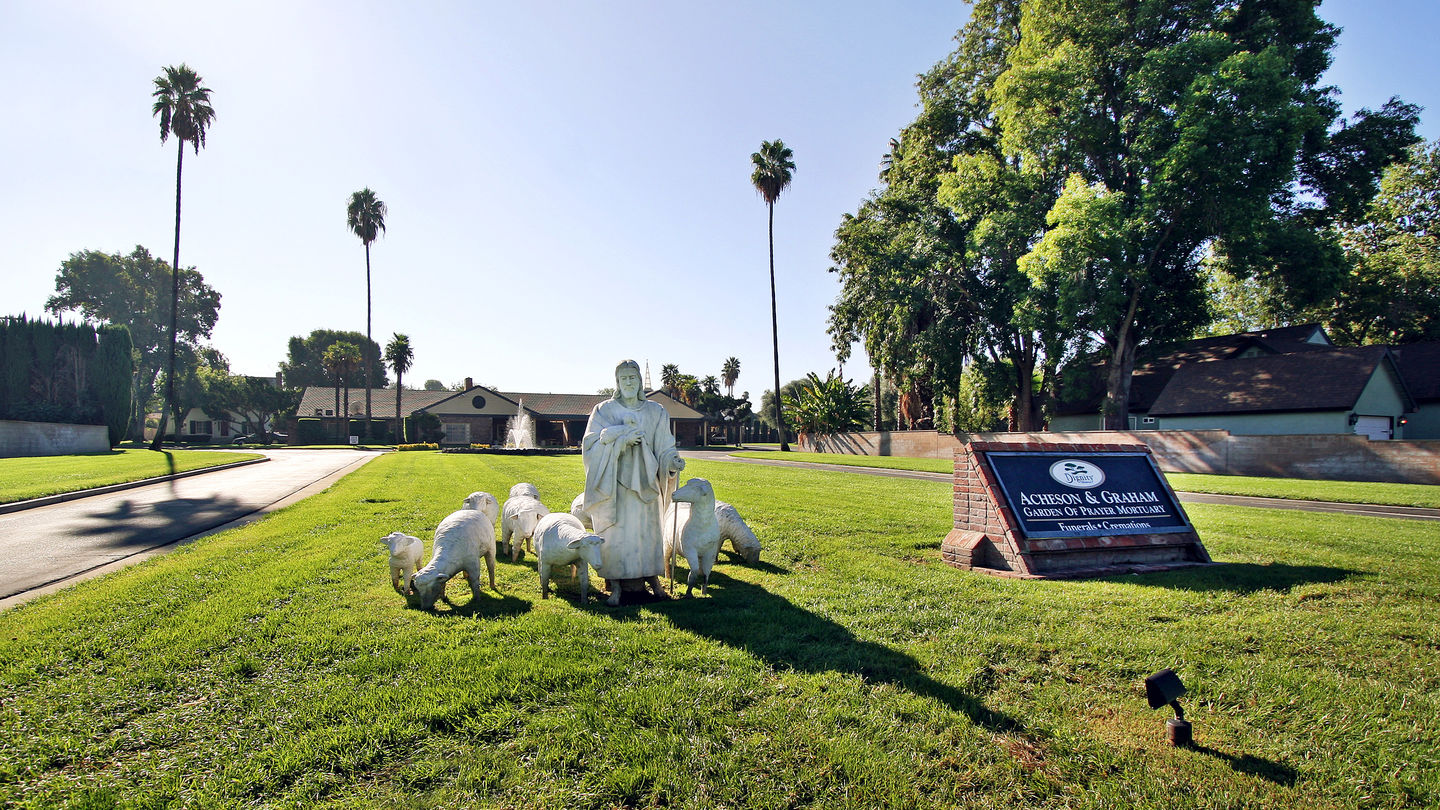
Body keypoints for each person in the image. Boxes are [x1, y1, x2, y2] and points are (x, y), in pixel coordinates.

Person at [581, 359, 685, 605]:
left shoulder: (655, 411)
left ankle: (650, 577)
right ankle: (616, 583)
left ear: (640, 381)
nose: (628, 382)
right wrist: (619, 443)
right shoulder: (604, 411)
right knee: (618, 533)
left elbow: (665, 446)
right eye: (623, 378)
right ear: (617, 382)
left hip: (647, 486)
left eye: (632, 377)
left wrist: (671, 463)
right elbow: (591, 445)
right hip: (614, 486)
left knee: (646, 532)